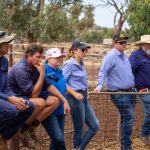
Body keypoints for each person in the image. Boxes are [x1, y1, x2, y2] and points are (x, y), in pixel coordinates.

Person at [8, 43, 70, 149]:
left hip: (26, 97)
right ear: (29, 55)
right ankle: (23, 130)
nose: (40, 60)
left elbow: (48, 86)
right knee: (40, 102)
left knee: (55, 100)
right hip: (14, 99)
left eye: (40, 57)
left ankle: (31, 127)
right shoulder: (21, 69)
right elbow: (34, 94)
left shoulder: (35, 66)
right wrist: (42, 73)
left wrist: (64, 100)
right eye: (37, 57)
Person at [94, 35, 136, 150]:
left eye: (125, 42)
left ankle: (124, 145)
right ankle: (126, 146)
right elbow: (102, 72)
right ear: (114, 44)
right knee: (129, 116)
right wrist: (99, 86)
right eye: (121, 42)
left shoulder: (125, 56)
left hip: (130, 92)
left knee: (126, 118)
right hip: (119, 93)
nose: (124, 44)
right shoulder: (110, 57)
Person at [62, 40, 100, 150]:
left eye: (86, 50)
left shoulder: (81, 63)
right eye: (83, 50)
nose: (85, 52)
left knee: (95, 126)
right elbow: (62, 83)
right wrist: (74, 93)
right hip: (74, 98)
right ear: (74, 50)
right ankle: (77, 147)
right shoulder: (69, 64)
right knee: (79, 128)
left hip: (83, 98)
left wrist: (85, 92)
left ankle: (79, 148)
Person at [0, 31, 34, 150]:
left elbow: (5, 85)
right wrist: (9, 99)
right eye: (6, 43)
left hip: (2, 96)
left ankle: (3, 136)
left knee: (28, 106)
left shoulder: (4, 61)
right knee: (11, 110)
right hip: (2, 98)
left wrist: (15, 97)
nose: (9, 45)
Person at [41, 48, 67, 150]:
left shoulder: (59, 71)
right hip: (50, 110)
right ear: (48, 58)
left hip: (61, 109)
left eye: (60, 57)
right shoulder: (43, 69)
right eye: (56, 57)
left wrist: (66, 102)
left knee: (56, 140)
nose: (59, 59)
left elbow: (63, 87)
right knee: (59, 138)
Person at [129, 35, 150, 146]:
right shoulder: (135, 56)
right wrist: (132, 86)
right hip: (143, 90)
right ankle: (144, 135)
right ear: (143, 44)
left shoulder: (148, 55)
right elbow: (128, 71)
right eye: (149, 44)